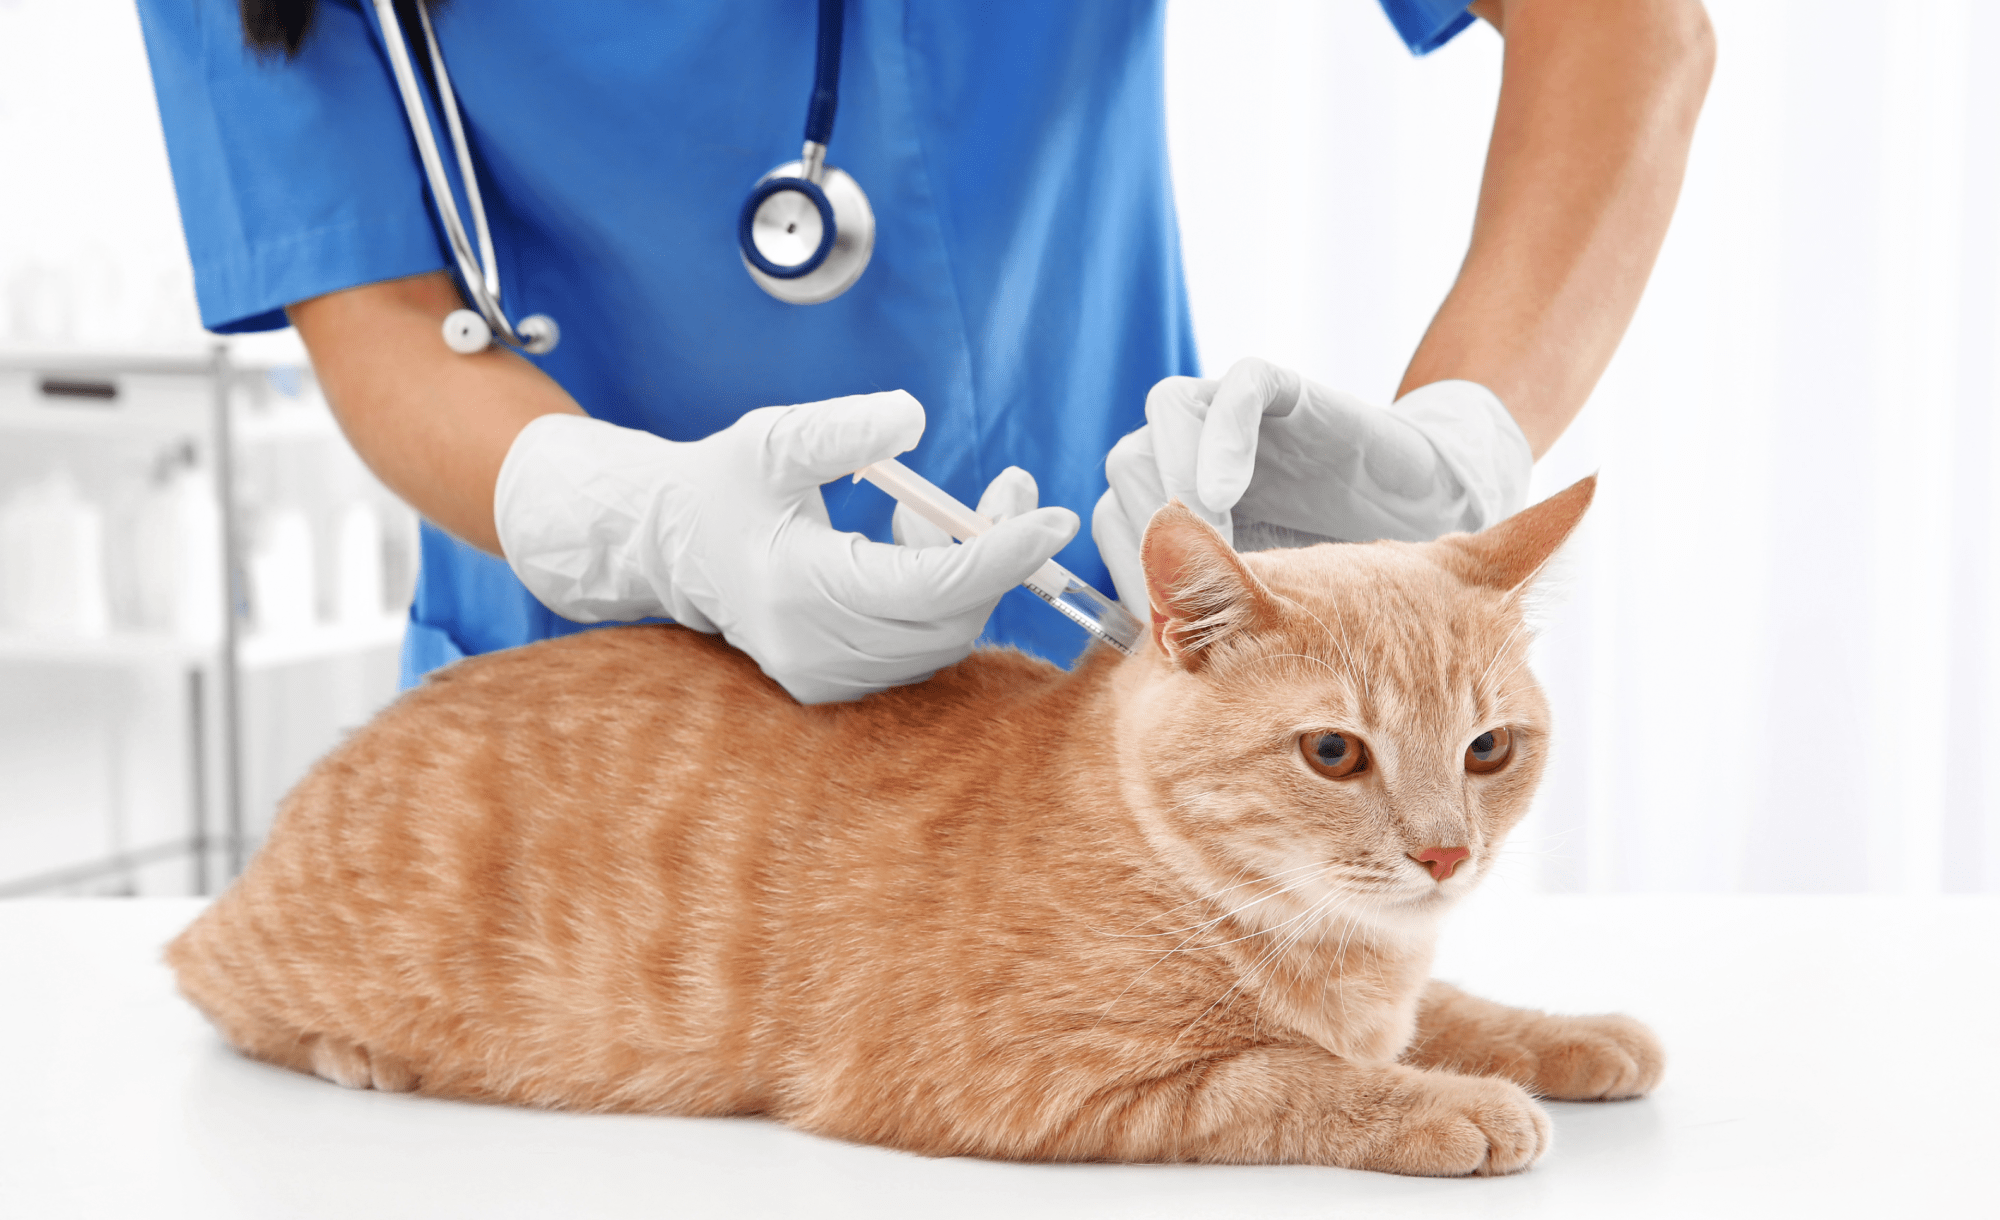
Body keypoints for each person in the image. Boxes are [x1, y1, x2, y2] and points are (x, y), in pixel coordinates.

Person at [136, 0, 1713, 703]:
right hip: (582, 742)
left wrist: (1456, 445)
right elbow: (381, 319)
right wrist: (654, 527)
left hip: (1095, 709)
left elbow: (1623, 24)